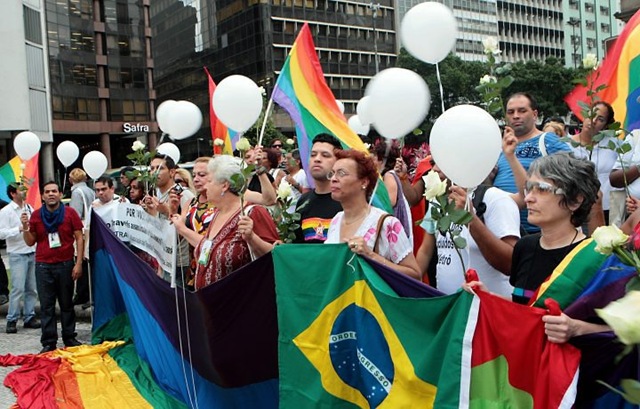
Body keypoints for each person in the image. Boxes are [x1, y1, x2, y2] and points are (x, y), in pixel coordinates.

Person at [171, 156, 279, 289]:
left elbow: (276, 257)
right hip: (209, 302)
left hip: (239, 303)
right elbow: (208, 248)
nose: (205, 186)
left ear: (225, 185)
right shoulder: (217, 214)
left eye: (209, 180)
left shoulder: (252, 213)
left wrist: (252, 238)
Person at [415, 159, 520, 296]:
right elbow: (425, 251)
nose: (435, 169)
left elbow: (510, 264)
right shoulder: (438, 200)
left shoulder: (495, 199)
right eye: (434, 163)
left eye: (442, 163)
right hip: (452, 310)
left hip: (485, 312)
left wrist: (470, 219)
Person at [324, 150, 421, 280]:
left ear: (364, 182)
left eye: (341, 173)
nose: (334, 179)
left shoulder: (387, 223)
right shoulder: (336, 220)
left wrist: (371, 255)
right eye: (332, 173)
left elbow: (415, 276)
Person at [493, 93, 572, 233]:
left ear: (535, 115)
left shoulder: (547, 140)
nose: (516, 116)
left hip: (538, 230)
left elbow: (574, 174)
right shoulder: (500, 147)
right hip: (504, 227)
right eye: (510, 112)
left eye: (522, 111)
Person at [22, 181, 84, 353]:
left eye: (54, 191)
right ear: (42, 195)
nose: (51, 194)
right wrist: (26, 228)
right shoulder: (35, 216)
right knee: (46, 306)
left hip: (65, 265)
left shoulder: (70, 213)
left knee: (66, 304)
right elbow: (30, 242)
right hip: (43, 266)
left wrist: (78, 263)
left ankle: (69, 337)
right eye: (47, 191)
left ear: (60, 194)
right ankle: (48, 342)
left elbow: (79, 237)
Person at [569, 102, 618, 224]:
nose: (593, 121)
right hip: (574, 208)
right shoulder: (565, 145)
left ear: (606, 124)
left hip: (607, 208)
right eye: (591, 115)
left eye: (600, 119)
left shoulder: (615, 145)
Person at [0, 184, 38, 333]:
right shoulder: (6, 211)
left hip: (31, 250)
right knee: (17, 288)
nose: (24, 192)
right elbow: (1, 233)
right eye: (20, 190)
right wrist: (19, 228)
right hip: (17, 253)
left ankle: (29, 316)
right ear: (12, 193)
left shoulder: (29, 208)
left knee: (31, 288)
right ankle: (12, 318)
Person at [294, 134, 343, 243]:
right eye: (313, 154)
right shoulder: (303, 201)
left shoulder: (347, 202)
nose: (317, 159)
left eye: (325, 155)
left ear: (338, 161)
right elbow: (296, 248)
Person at [372, 140, 412, 242]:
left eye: (374, 157)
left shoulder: (388, 176)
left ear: (381, 160)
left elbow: (390, 201)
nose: (372, 161)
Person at [67, 168, 94, 308]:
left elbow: (75, 213)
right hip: (91, 226)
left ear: (72, 180)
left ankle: (82, 293)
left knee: (81, 259)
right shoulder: (90, 190)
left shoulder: (76, 192)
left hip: (82, 229)